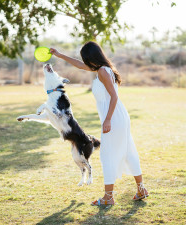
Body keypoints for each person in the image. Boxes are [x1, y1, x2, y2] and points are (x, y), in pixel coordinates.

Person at [50, 41, 149, 206]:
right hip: (119, 116)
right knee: (129, 151)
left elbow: (114, 97)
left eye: (86, 59)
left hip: (114, 117)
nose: (85, 62)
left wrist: (108, 119)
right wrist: (59, 55)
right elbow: (80, 65)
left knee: (107, 155)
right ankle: (141, 189)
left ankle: (108, 197)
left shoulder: (102, 71)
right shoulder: (103, 69)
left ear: (91, 57)